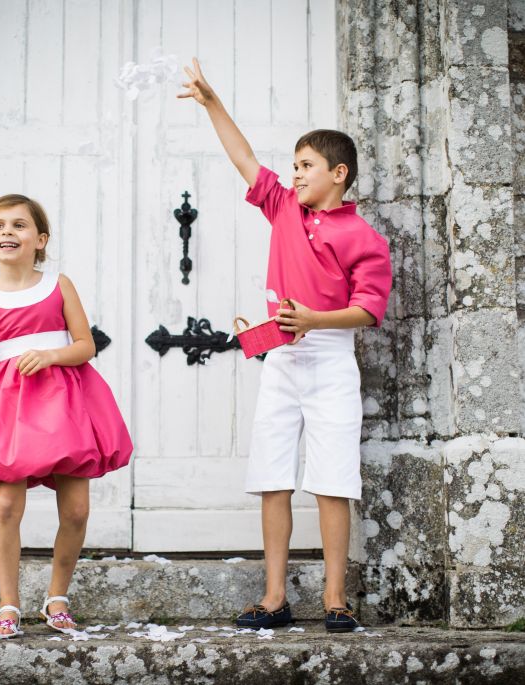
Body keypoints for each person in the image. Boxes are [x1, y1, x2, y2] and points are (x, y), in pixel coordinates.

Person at [179, 59, 392, 632]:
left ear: (339, 173)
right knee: (273, 477)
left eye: (306, 166)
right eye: (294, 166)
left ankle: (335, 598)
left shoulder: (364, 237)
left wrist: (312, 319)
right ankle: (274, 597)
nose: (294, 174)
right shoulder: (283, 208)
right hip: (282, 359)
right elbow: (243, 158)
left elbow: (369, 310)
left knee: (332, 481)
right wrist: (210, 102)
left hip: (330, 364)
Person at [0, 194, 133, 639]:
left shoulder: (59, 285)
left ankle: (57, 596)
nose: (7, 232)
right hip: (10, 412)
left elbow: (86, 345)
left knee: (77, 510)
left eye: (19, 225)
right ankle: (8, 604)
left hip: (65, 405)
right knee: (5, 504)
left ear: (40, 239)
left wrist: (50, 355)